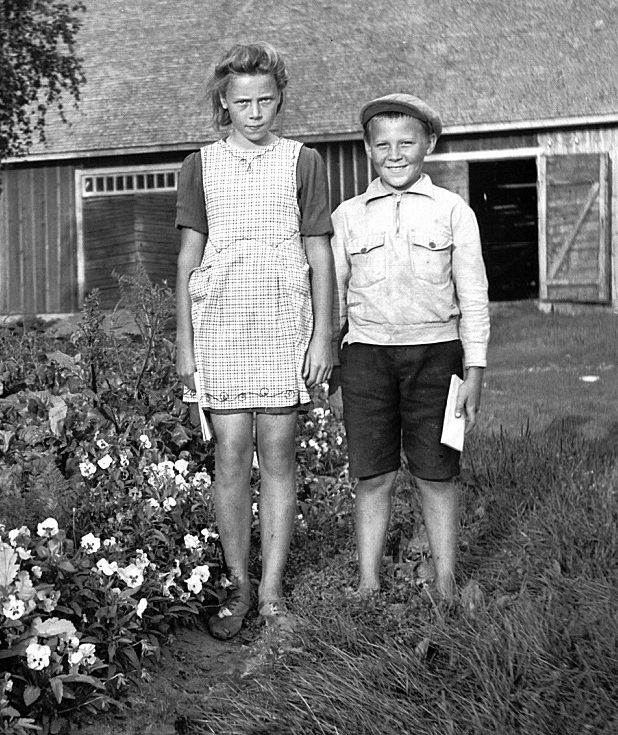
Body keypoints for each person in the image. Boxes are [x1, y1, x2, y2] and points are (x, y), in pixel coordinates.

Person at [175, 43, 336, 639]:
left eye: (266, 99)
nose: (255, 111)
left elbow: (319, 250)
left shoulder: (304, 162)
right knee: (230, 460)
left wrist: (324, 335)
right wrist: (185, 347)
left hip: (282, 322)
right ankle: (238, 584)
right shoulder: (200, 165)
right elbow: (188, 259)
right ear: (224, 102)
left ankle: (271, 592)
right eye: (242, 101)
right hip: (219, 325)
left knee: (280, 459)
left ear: (280, 98)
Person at [331, 93, 490, 602]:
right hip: (367, 357)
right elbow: (334, 297)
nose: (395, 154)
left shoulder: (453, 212)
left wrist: (476, 370)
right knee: (373, 474)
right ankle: (368, 582)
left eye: (407, 142)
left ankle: (445, 581)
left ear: (430, 144)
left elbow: (474, 297)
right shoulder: (347, 216)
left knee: (437, 473)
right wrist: (331, 361)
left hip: (438, 359)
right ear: (367, 149)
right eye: (382, 145)